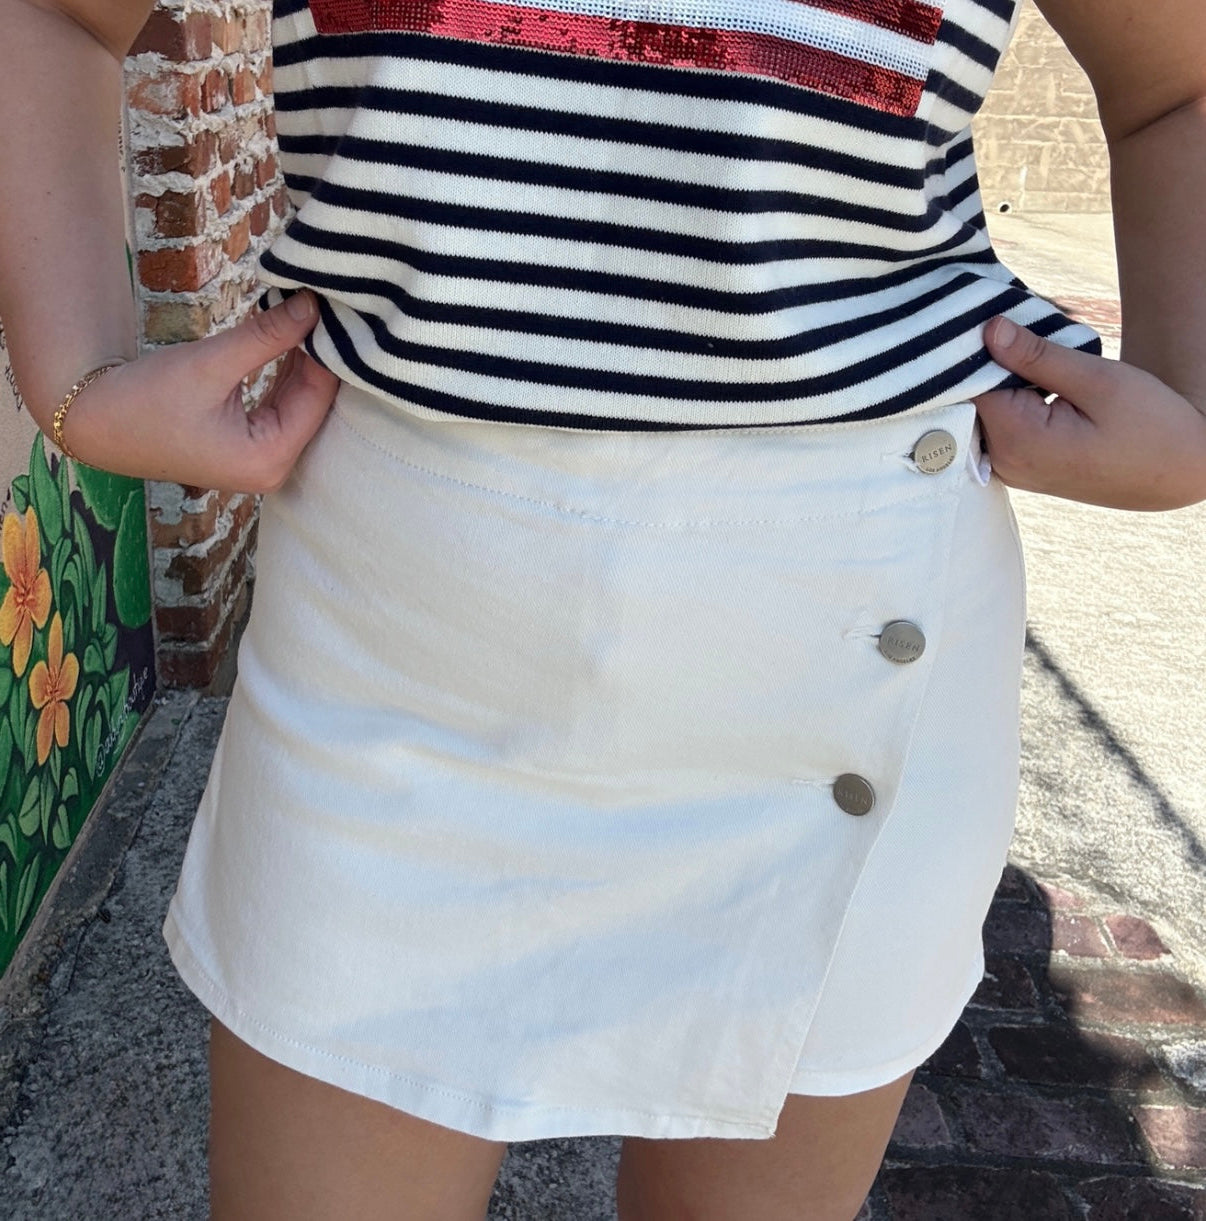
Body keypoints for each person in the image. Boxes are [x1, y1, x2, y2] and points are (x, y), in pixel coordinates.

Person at [1, 0, 1203, 1217]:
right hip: (392, 671)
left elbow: (1178, 86)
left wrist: (1192, 403)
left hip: (839, 667)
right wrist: (77, 380)